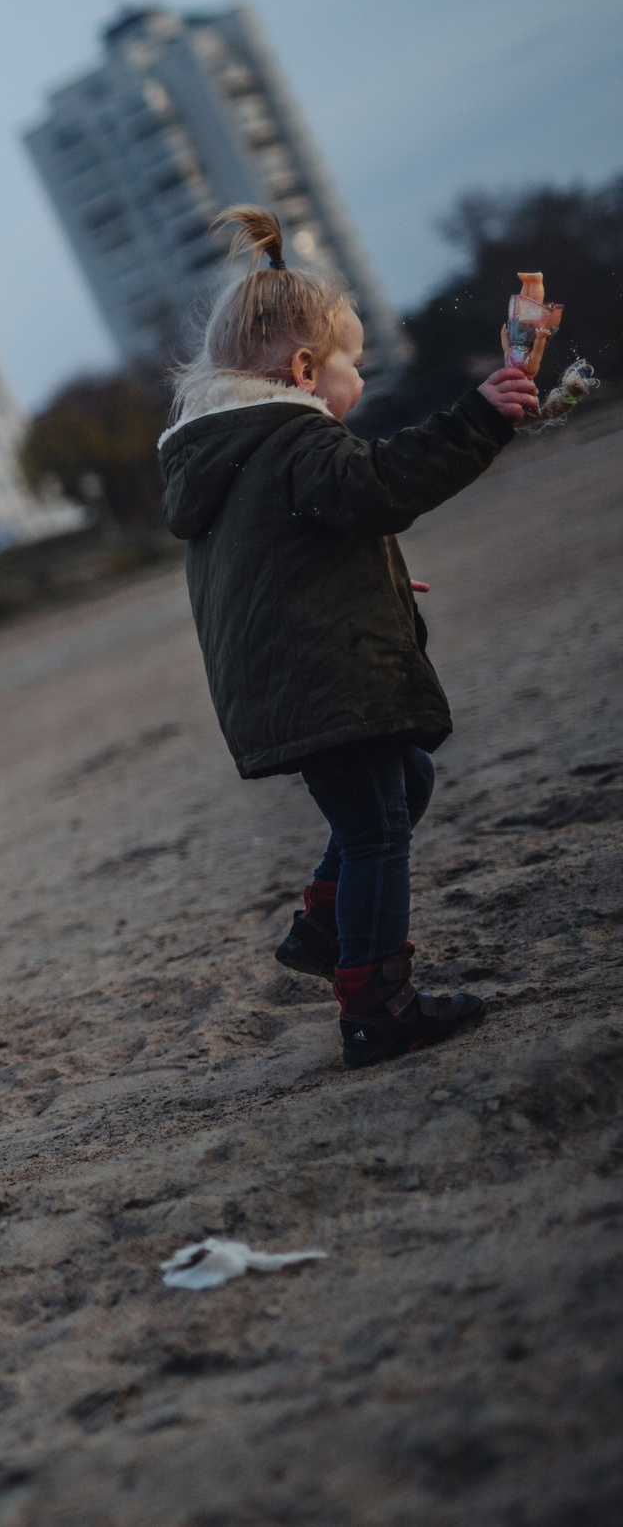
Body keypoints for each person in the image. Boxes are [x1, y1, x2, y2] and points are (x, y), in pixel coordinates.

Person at [158, 205, 540, 1070]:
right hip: (325, 680)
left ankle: (327, 924)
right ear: (303, 370)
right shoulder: (295, 437)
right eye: (352, 366)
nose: (358, 382)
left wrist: (369, 581)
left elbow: (274, 565)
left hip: (290, 678)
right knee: (376, 832)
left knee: (407, 780)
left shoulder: (229, 456)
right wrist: (479, 418)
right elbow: (378, 484)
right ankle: (377, 1005)